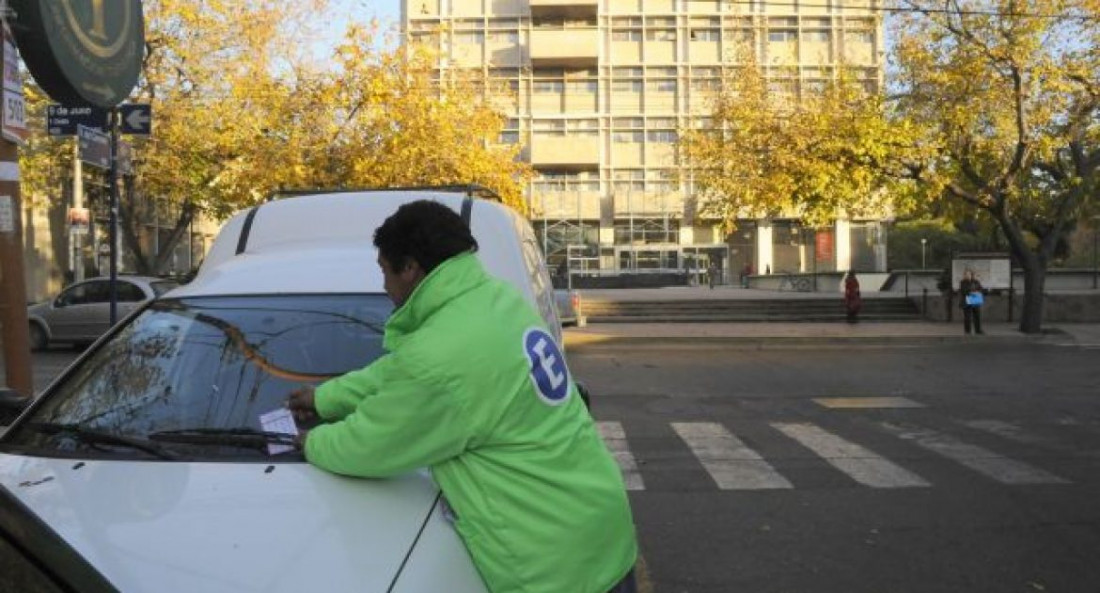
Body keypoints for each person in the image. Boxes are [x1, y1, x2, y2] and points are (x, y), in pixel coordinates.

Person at [287, 200, 638, 593]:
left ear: (411, 268)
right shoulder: (494, 301)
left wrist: (313, 441)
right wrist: (326, 398)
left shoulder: (441, 356)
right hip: (596, 526)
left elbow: (370, 442)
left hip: (553, 562)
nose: (384, 286)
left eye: (385, 272)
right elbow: (401, 370)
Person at [959, 268, 985, 335]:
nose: (967, 275)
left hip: (975, 299)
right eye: (966, 274)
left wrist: (976, 291)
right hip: (967, 300)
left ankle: (978, 330)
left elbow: (980, 289)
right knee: (967, 317)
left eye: (968, 274)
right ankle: (967, 331)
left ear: (971, 274)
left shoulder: (976, 281)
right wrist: (973, 291)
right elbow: (964, 291)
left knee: (977, 316)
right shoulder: (963, 282)